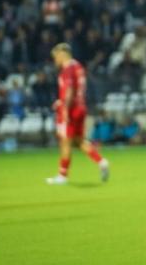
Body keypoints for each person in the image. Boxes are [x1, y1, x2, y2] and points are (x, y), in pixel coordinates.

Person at [46, 43, 110, 185]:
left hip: (71, 110)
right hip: (80, 108)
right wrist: (60, 101)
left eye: (55, 57)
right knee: (79, 141)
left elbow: (68, 90)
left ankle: (62, 175)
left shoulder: (68, 68)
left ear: (63, 54)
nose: (55, 60)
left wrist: (64, 109)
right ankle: (101, 162)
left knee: (65, 141)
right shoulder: (78, 67)